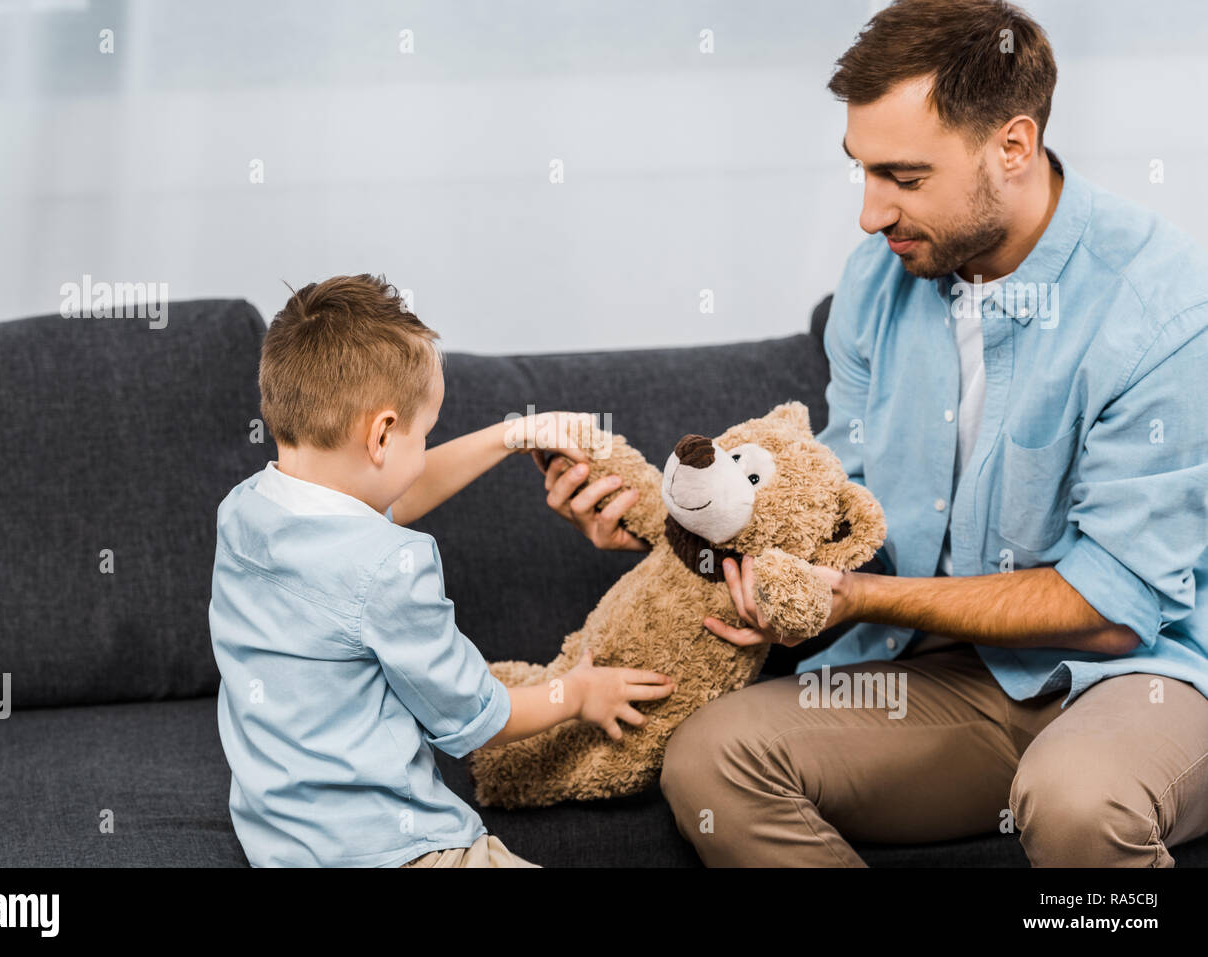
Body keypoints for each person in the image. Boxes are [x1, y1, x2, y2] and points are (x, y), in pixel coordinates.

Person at [538, 0, 1208, 866]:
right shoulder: (876, 280)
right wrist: (665, 520)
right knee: (713, 758)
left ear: (1013, 146)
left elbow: (1115, 609)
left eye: (904, 177)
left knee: (1078, 802)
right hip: (949, 682)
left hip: (1140, 678)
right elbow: (828, 507)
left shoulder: (1158, 309)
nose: (869, 214)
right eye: (861, 171)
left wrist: (856, 600)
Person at [209, 274, 675, 867]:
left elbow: (381, 496)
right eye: (424, 435)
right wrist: (579, 693)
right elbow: (476, 716)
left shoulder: (246, 510)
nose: (425, 450)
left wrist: (511, 435)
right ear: (381, 434)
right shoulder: (389, 566)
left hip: (284, 848)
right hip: (399, 852)